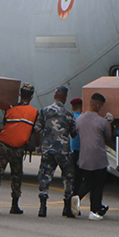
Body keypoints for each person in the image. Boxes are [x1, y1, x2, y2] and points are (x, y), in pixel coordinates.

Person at [0, 82, 37, 214]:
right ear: (32, 96)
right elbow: (33, 130)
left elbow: (5, 124)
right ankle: (14, 205)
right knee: (17, 176)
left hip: (3, 145)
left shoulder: (11, 110)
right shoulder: (34, 112)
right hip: (18, 148)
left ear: (20, 94)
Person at [35, 86, 78, 218]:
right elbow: (74, 133)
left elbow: (37, 129)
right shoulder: (68, 113)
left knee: (45, 176)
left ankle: (42, 207)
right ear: (65, 98)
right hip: (63, 150)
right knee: (68, 177)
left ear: (55, 96)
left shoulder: (44, 111)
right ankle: (66, 207)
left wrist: (38, 145)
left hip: (48, 149)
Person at [72, 93, 114, 220]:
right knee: (98, 185)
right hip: (98, 156)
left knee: (88, 181)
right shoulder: (102, 121)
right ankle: (94, 211)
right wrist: (110, 122)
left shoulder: (79, 120)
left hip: (84, 156)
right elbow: (108, 137)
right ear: (97, 105)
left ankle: (77, 197)